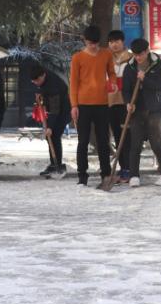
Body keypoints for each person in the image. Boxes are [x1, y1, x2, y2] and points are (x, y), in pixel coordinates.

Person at [69, 25, 118, 187]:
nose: (93, 46)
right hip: (83, 104)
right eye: (90, 43)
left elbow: (112, 73)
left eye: (96, 43)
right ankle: (82, 175)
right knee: (83, 141)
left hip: (102, 103)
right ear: (85, 41)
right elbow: (73, 83)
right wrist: (74, 105)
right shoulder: (77, 58)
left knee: (103, 140)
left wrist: (112, 82)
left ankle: (106, 173)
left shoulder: (106, 54)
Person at [121, 39, 161, 187]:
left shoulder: (158, 64)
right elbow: (126, 90)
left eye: (141, 54)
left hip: (154, 109)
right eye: (135, 54)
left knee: (156, 143)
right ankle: (134, 176)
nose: (138, 57)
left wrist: (145, 79)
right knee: (135, 144)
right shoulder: (129, 68)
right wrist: (128, 103)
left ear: (147, 51)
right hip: (137, 111)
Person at [30, 63, 71, 177]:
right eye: (34, 81)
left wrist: (50, 127)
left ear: (43, 75)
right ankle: (54, 164)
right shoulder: (43, 78)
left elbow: (55, 109)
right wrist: (41, 95)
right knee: (51, 138)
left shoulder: (53, 85)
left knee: (54, 136)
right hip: (54, 110)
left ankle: (57, 165)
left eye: (38, 80)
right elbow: (43, 92)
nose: (36, 83)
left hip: (62, 112)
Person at [107, 30, 133, 183]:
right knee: (117, 136)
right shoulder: (106, 58)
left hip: (125, 102)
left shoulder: (130, 58)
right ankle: (123, 167)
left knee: (127, 137)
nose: (114, 45)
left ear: (123, 42)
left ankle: (129, 168)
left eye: (117, 41)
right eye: (111, 42)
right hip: (110, 102)